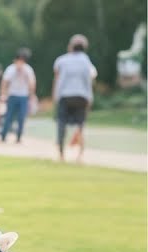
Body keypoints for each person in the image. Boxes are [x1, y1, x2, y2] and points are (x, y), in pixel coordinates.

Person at [53, 34, 98, 162]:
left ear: (71, 47)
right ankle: (80, 154)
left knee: (61, 123)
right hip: (82, 96)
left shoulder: (62, 60)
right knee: (80, 124)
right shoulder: (86, 61)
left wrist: (55, 96)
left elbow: (57, 80)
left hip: (65, 95)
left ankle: (61, 154)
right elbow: (90, 79)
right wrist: (90, 97)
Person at [0, 48, 36, 143]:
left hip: (23, 96)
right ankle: (3, 135)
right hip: (12, 95)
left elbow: (31, 83)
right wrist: (3, 94)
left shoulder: (28, 69)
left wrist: (31, 95)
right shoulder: (11, 69)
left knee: (21, 117)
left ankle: (19, 137)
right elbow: (5, 82)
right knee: (9, 116)